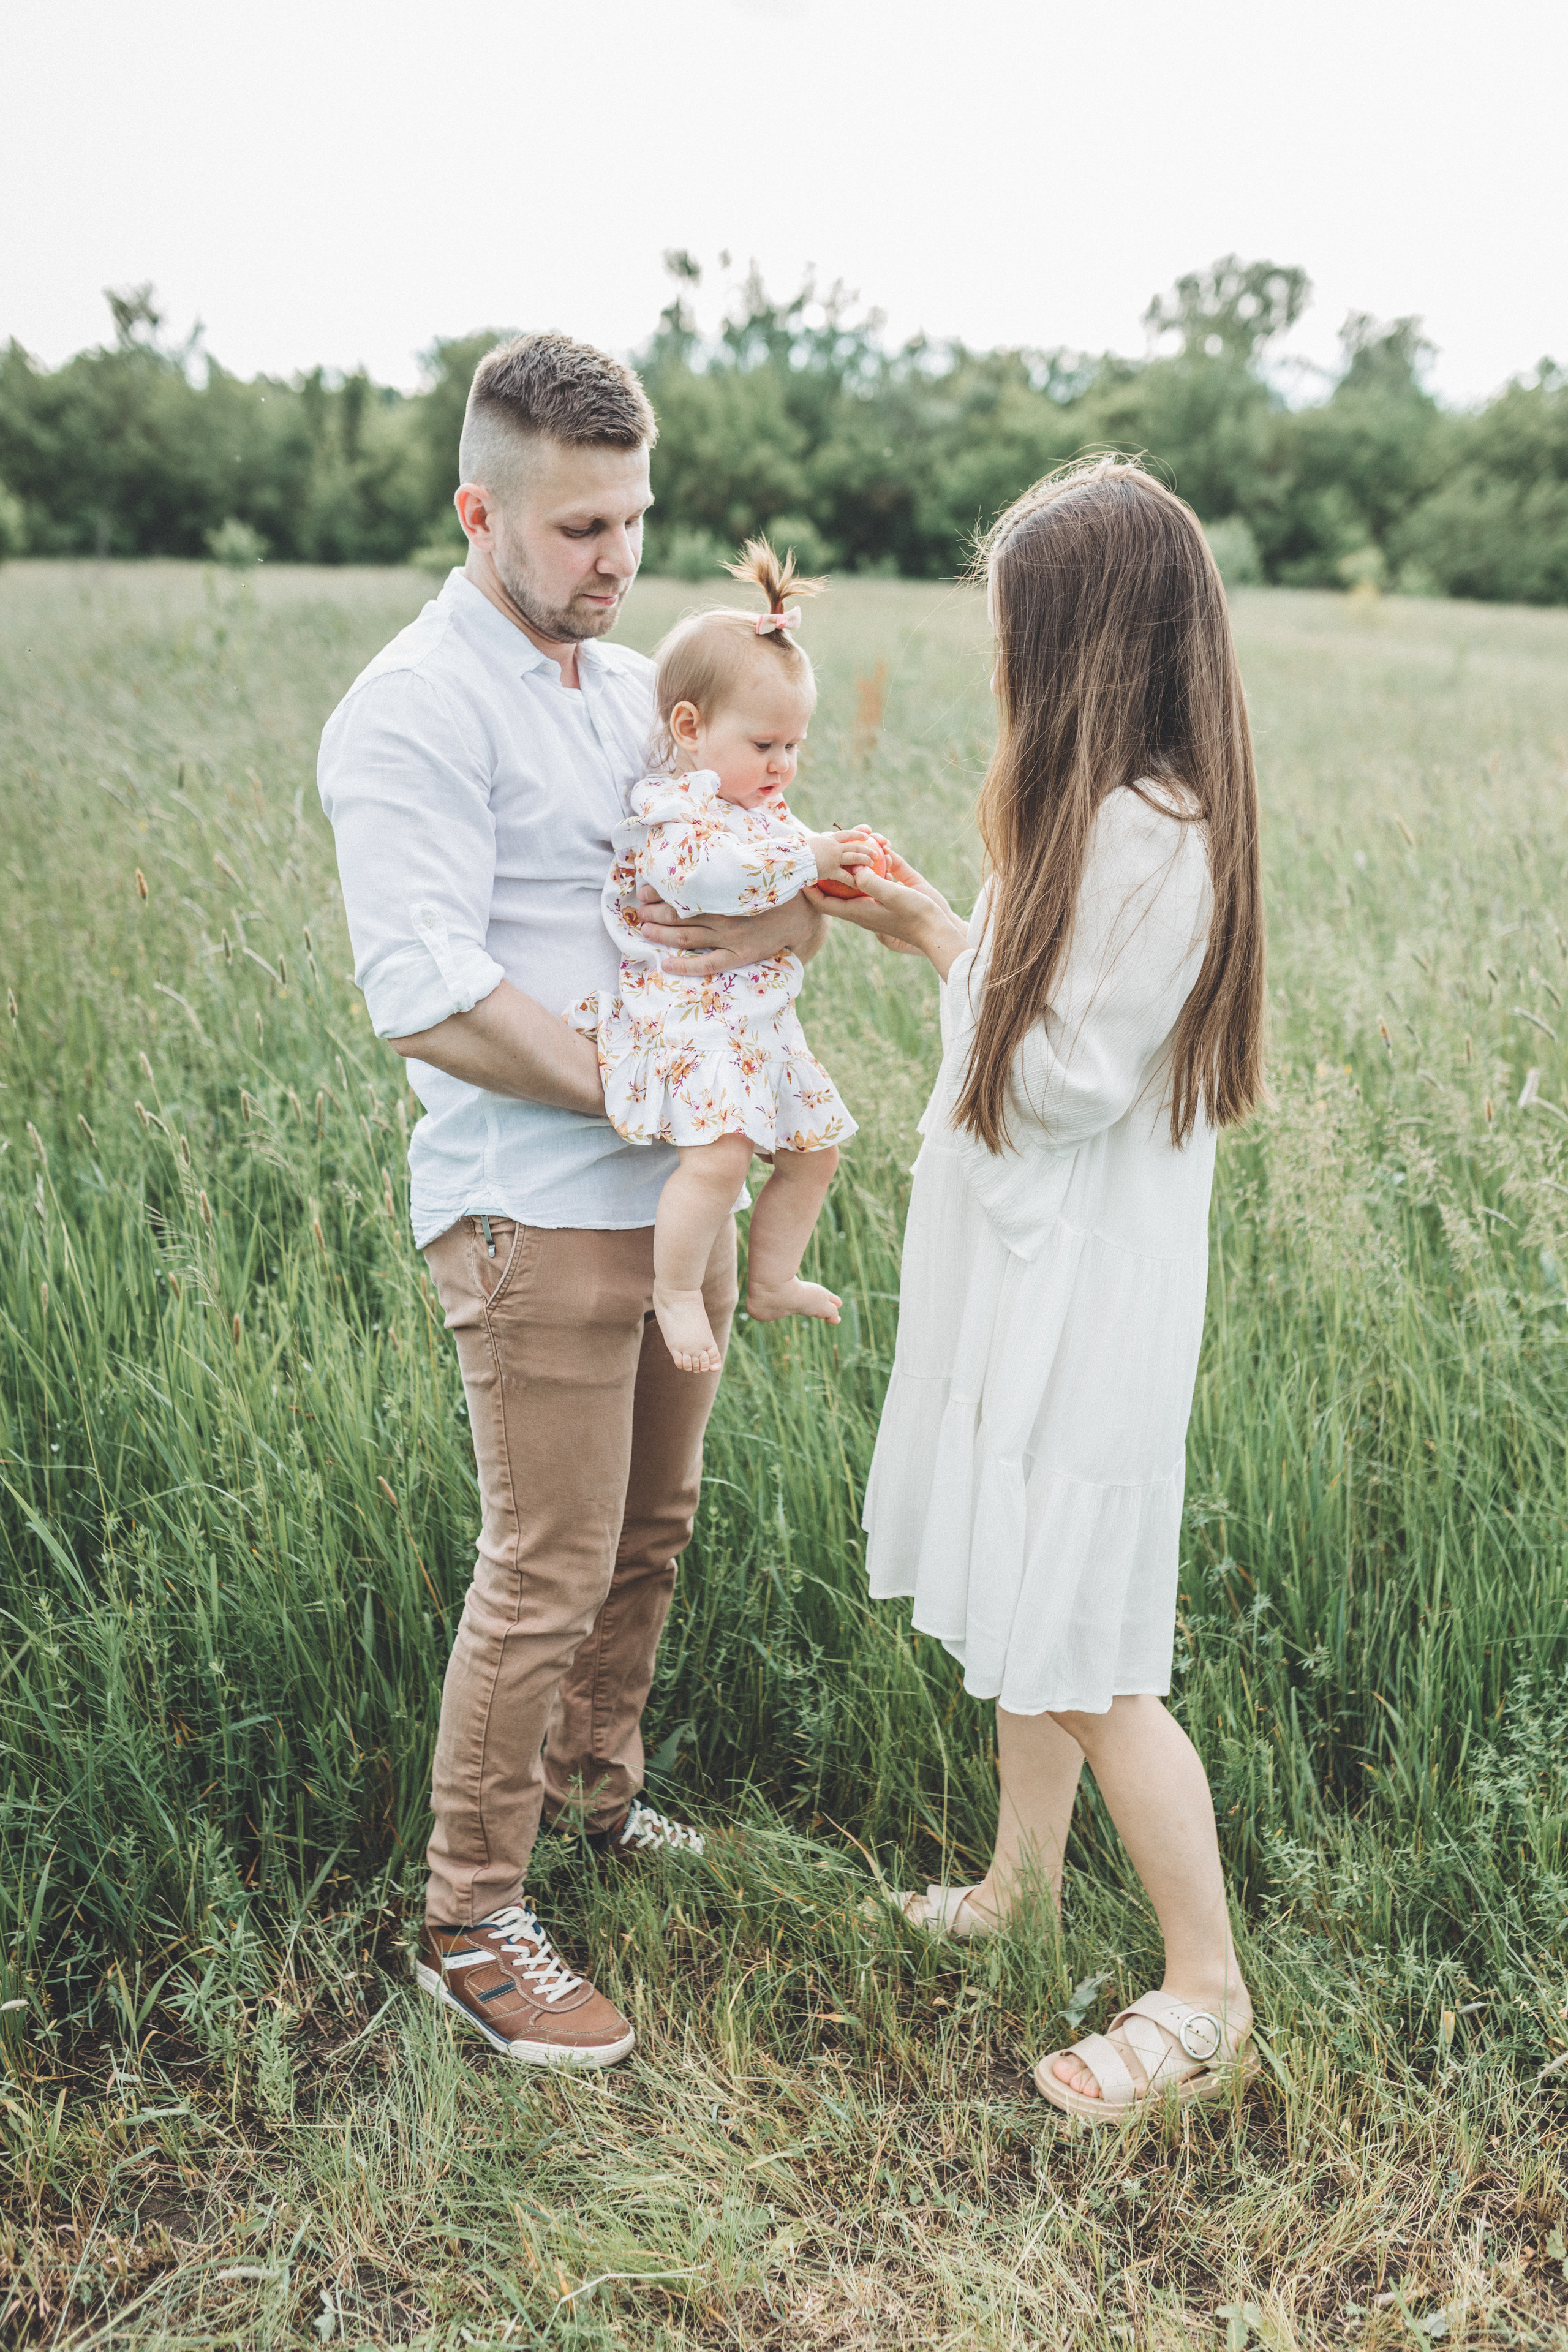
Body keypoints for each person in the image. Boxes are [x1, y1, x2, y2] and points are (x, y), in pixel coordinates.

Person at [317, 331, 826, 2070]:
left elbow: (736, 885)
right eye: (579, 529)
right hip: (527, 1200)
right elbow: (429, 994)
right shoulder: (410, 709)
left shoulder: (634, 689)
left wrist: (783, 928)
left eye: (634, 520)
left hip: (674, 1195)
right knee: (542, 1569)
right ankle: (474, 1910)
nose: (615, 562)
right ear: (481, 510)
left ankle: (599, 1803)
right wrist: (657, 1082)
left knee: (651, 1537)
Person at [815, 458, 1267, 2120]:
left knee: (1083, 1644)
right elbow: (1034, 1010)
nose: (994, 662)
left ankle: (1207, 1990)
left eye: (1014, 631)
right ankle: (1020, 1883)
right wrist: (942, 927)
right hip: (1044, 1271)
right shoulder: (1098, 817)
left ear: (1083, 647)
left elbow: (1058, 1076)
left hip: (1091, 1290)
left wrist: (967, 963)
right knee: (1030, 1589)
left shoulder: (1158, 835)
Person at [568, 537, 876, 1374]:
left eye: (795, 746)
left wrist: (836, 860)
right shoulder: (677, 815)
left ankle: (773, 1278)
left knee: (817, 1152)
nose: (784, 765)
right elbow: (710, 882)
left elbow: (784, 880)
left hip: (756, 1027)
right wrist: (808, 864)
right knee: (722, 1155)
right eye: (767, 745)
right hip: (692, 1022)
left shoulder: (758, 806)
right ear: (691, 728)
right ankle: (674, 1291)